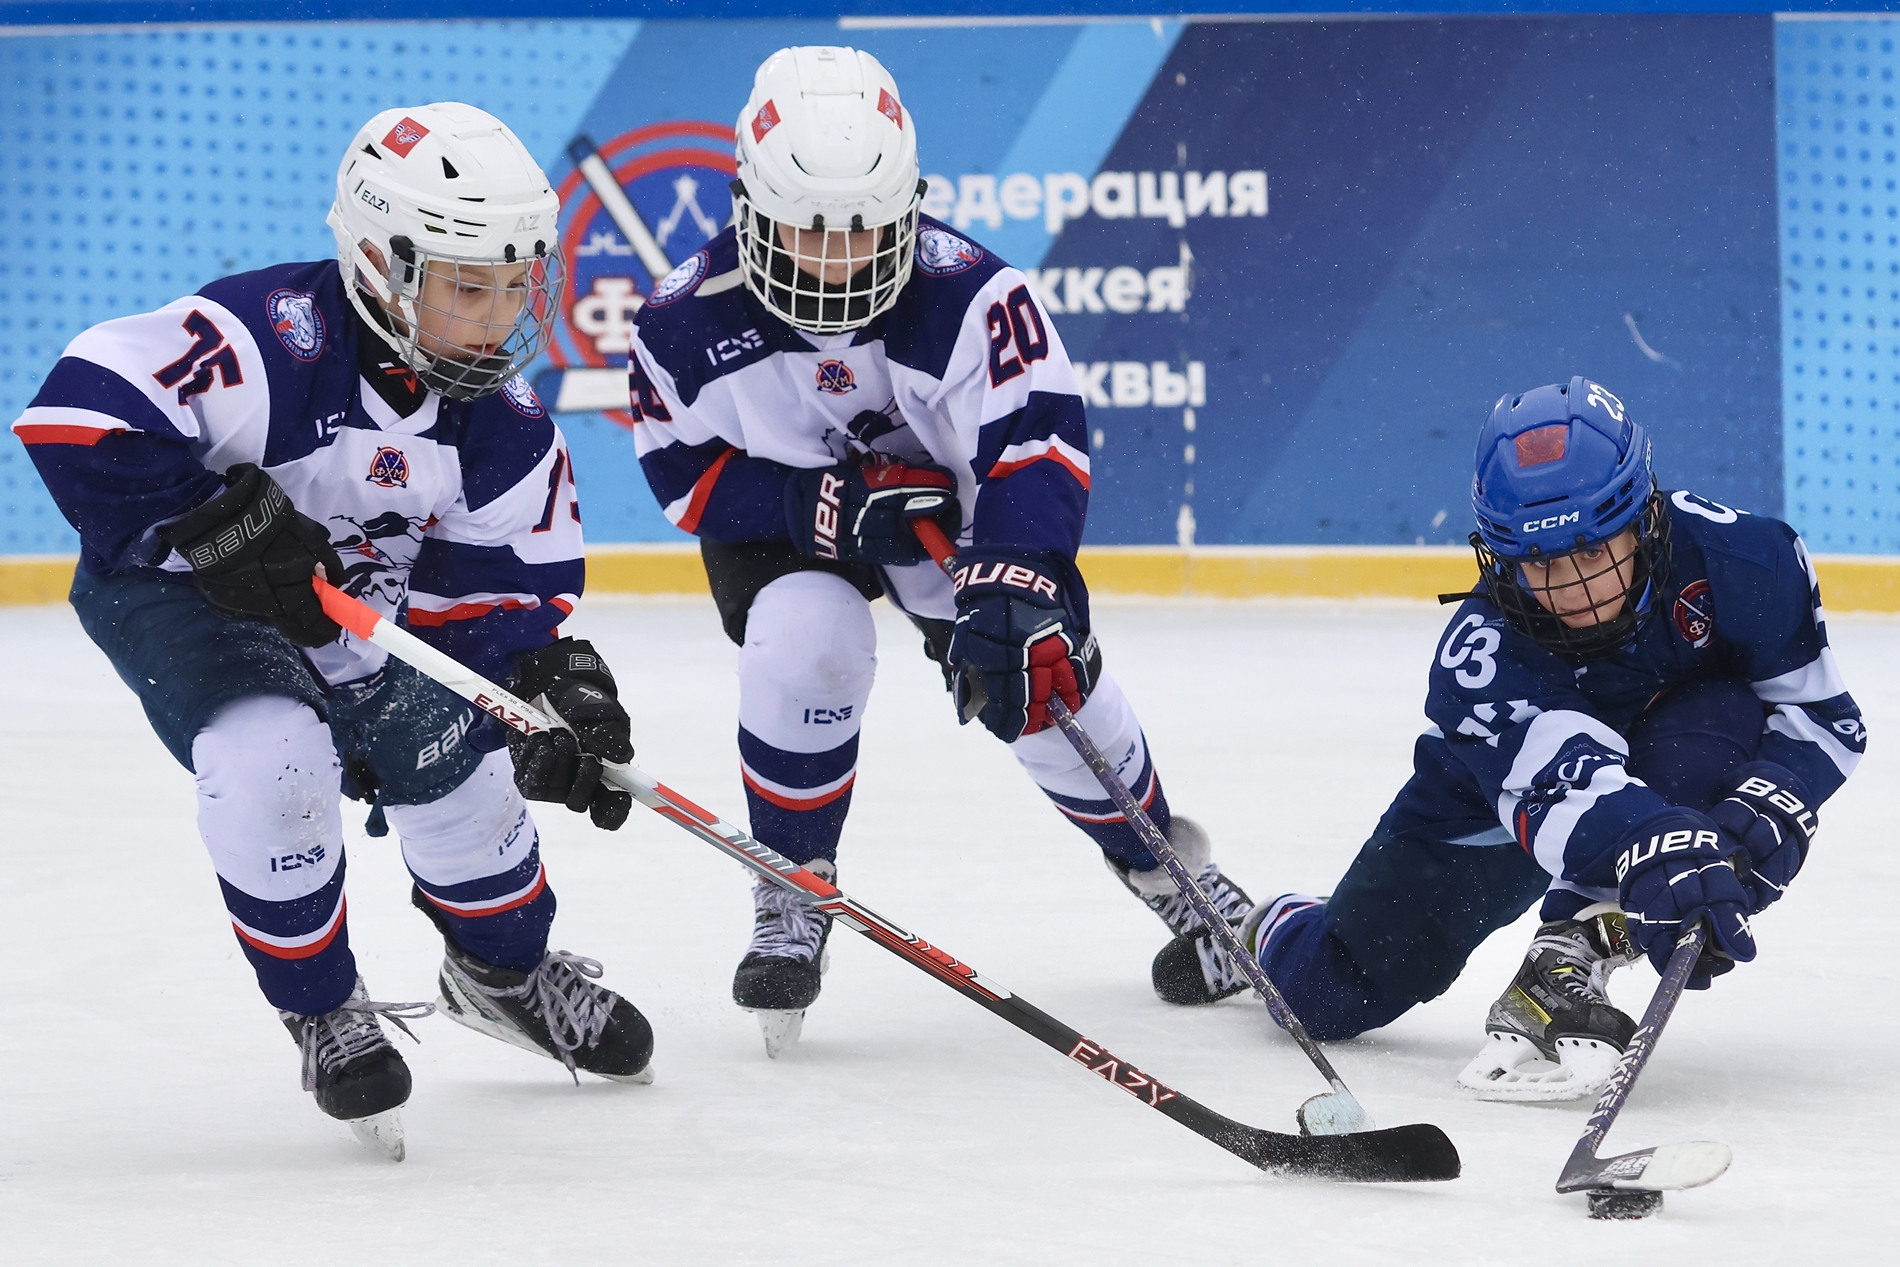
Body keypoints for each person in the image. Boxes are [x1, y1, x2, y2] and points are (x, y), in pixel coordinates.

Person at [11, 103, 653, 1157]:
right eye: (466, 285)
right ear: (378, 259)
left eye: (511, 284)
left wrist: (536, 685)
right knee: (274, 760)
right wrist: (209, 518)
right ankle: (322, 1006)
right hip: (185, 596)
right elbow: (74, 414)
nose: (497, 319)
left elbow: (491, 600)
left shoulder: (506, 429)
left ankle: (505, 974)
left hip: (362, 617)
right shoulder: (267, 339)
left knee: (457, 767)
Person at [626, 45, 1255, 1052]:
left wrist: (1013, 577)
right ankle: (792, 884)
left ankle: (1171, 873)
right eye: (805, 232)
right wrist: (813, 506)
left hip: (955, 511)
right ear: (747, 207)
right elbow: (684, 473)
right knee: (804, 636)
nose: (837, 261)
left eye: (866, 231)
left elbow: (1034, 444)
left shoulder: (970, 295)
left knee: (1038, 670)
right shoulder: (679, 320)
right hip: (787, 525)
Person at [1211, 378, 1863, 1099]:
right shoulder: (1481, 657)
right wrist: (1664, 841)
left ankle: (1567, 954)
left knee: (1719, 716)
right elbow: (1569, 792)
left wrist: (1774, 801)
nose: (1573, 587)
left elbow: (1823, 716)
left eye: (1591, 551)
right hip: (1496, 795)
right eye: (1541, 562)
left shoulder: (1747, 560)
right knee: (1326, 996)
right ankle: (1261, 924)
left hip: (1680, 740)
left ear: (1643, 515)